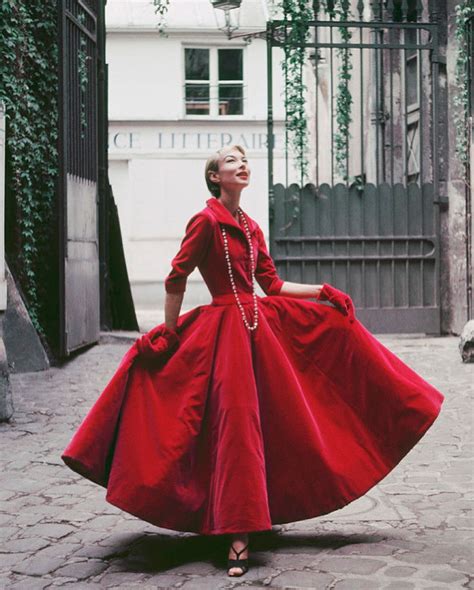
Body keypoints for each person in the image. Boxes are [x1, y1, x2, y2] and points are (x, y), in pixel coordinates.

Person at [61, 144, 445, 578]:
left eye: (244, 159)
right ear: (214, 177)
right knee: (235, 427)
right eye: (231, 161)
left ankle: (256, 511)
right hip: (223, 336)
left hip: (259, 332)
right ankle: (236, 533)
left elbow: (271, 284)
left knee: (271, 423)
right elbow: (177, 276)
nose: (242, 164)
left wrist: (321, 291)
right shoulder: (205, 221)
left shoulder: (250, 224)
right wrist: (168, 333)